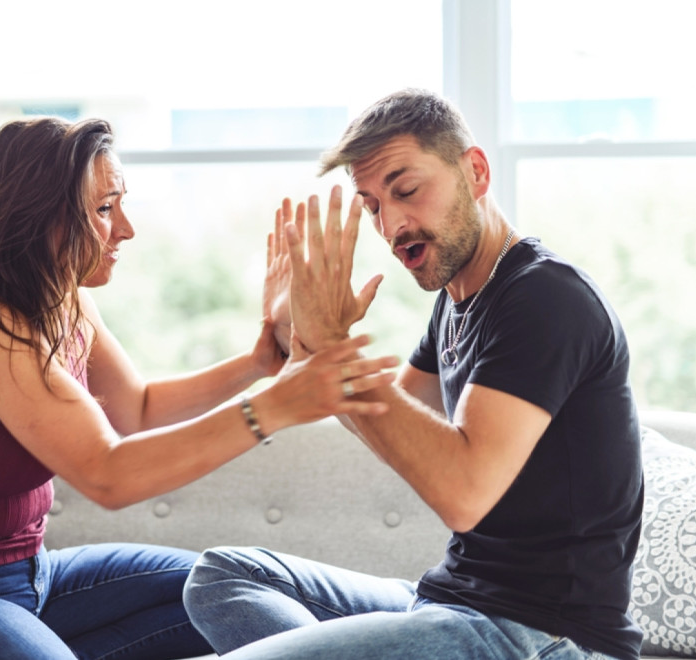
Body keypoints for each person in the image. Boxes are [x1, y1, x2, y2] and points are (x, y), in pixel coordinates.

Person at [0, 116, 395, 660]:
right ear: (41, 216)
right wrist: (273, 407)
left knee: (231, 587)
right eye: (105, 209)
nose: (126, 228)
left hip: (32, 579)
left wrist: (261, 360)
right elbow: (107, 474)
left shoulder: (65, 299)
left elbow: (136, 408)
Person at [183, 89, 644, 660]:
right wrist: (303, 347)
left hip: (542, 636)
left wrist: (335, 348)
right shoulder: (457, 300)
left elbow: (462, 494)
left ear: (475, 171)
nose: (392, 224)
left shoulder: (546, 298)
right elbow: (385, 421)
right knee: (223, 576)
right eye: (373, 205)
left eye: (406, 190)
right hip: (449, 605)